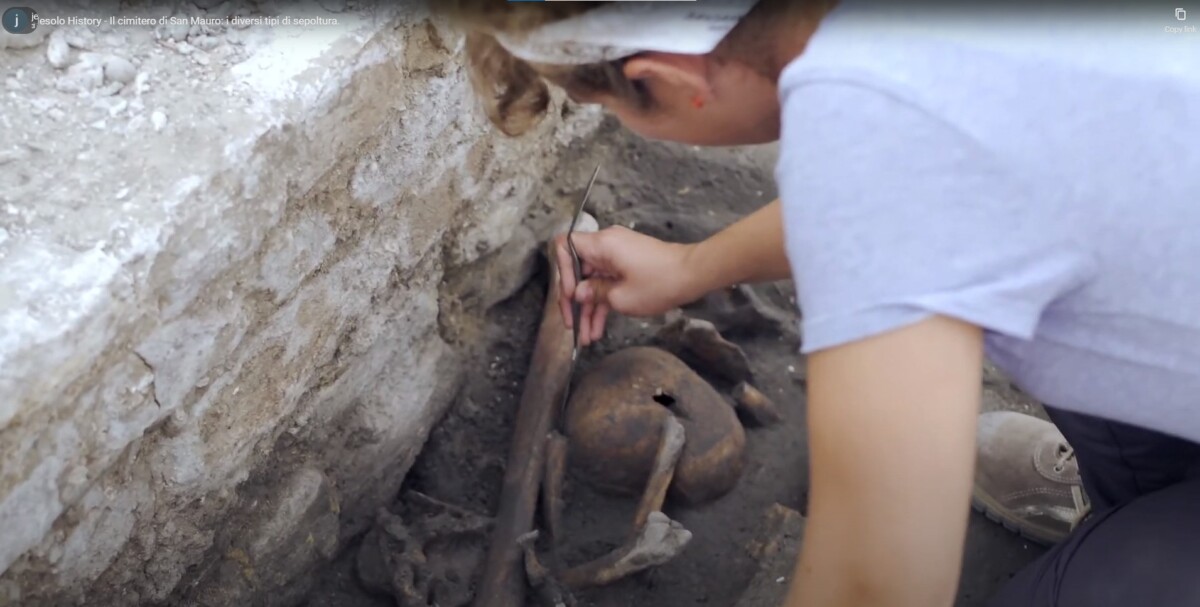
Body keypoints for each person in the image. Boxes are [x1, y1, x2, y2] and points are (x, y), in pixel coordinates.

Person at [441, 1, 1200, 606]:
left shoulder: (877, 139)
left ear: (669, 79)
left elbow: (875, 585)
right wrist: (688, 266)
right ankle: (1143, 502)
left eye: (614, 109)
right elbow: (908, 185)